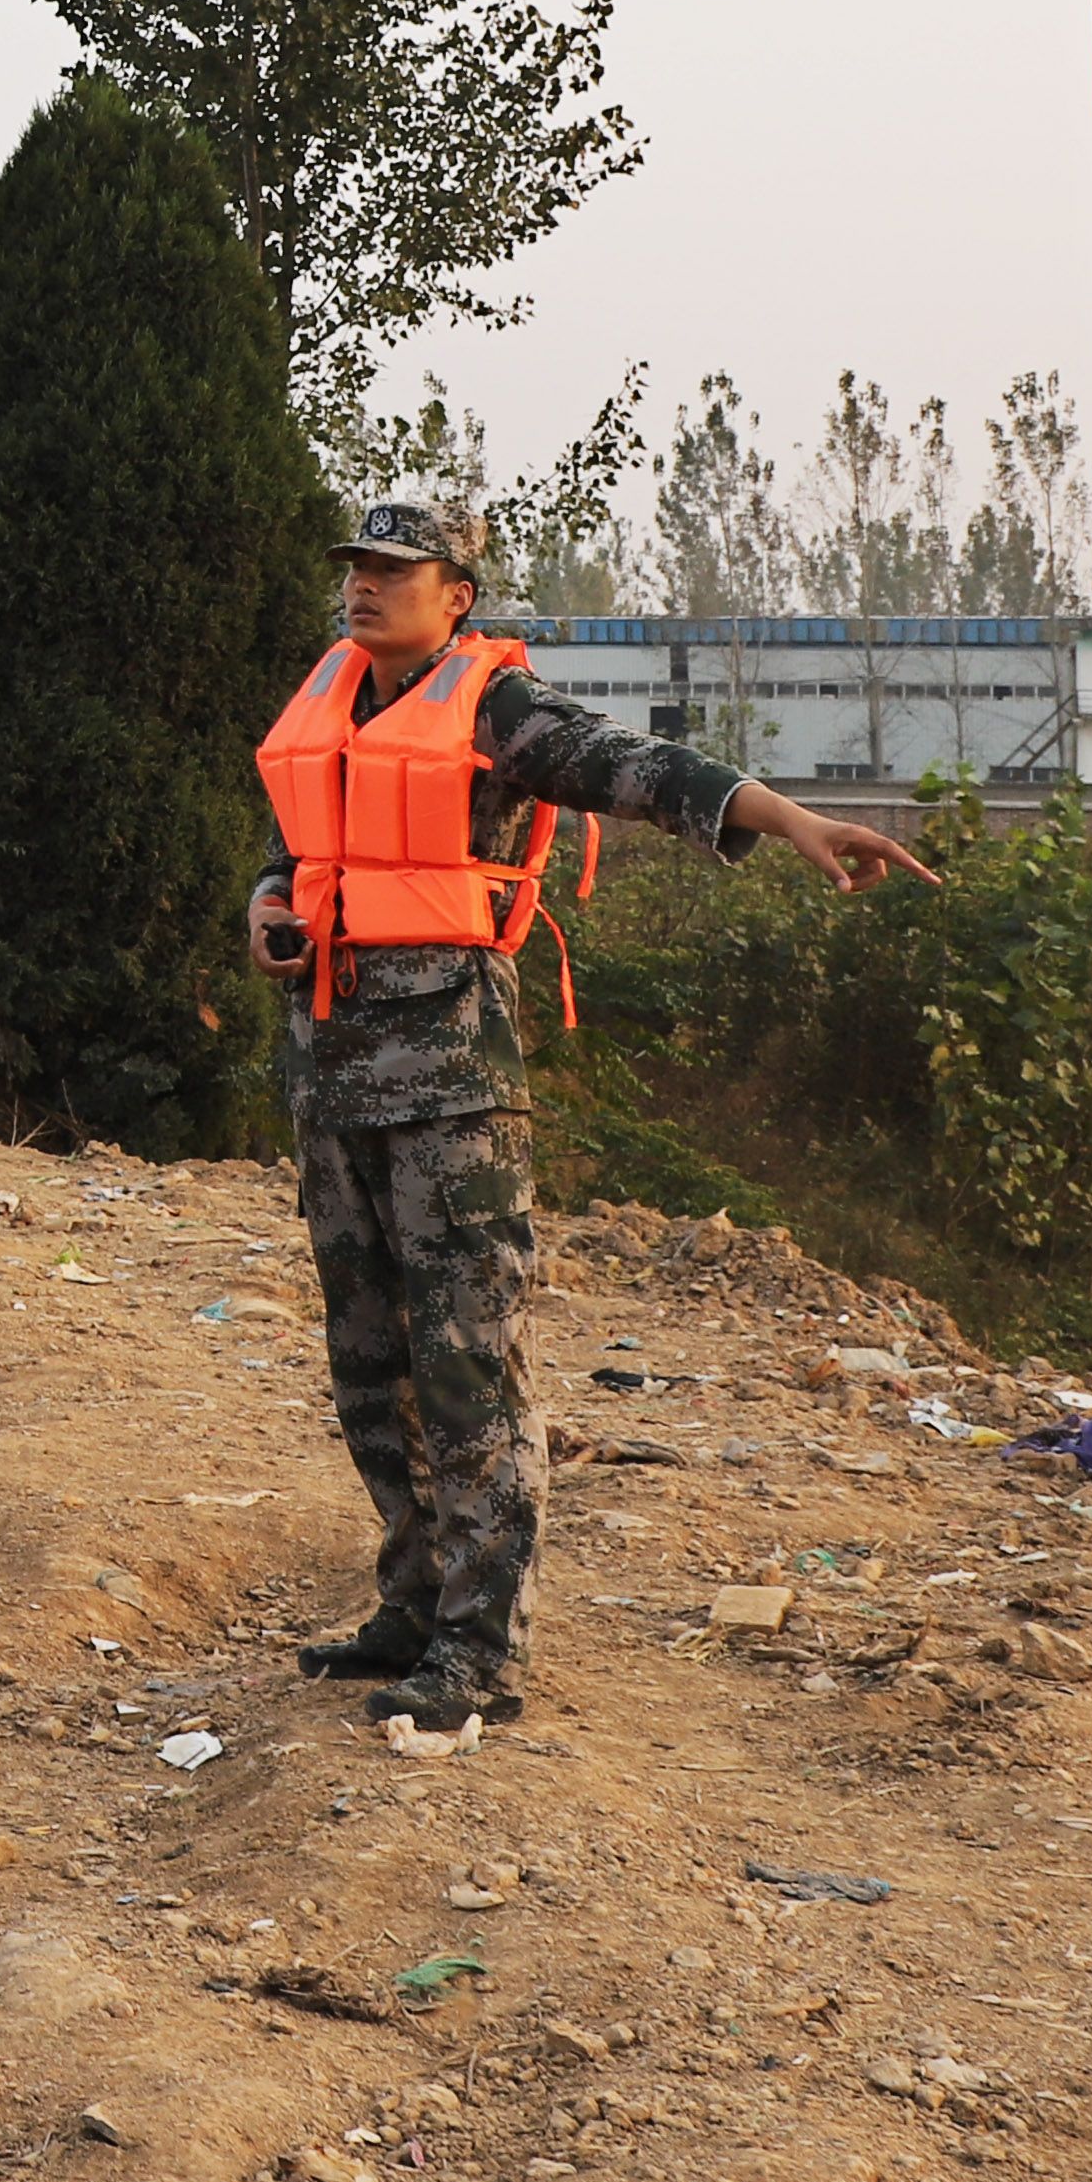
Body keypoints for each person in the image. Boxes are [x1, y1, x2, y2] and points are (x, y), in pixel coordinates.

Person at [248, 501, 928, 1733]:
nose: (364, 585)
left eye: (394, 569)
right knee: (370, 1371)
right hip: (330, 1082)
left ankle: (479, 1649)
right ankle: (412, 1603)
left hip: (451, 1096)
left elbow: (641, 769)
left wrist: (791, 819)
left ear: (456, 594)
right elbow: (294, 851)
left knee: (467, 1368)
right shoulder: (331, 697)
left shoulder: (497, 708)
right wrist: (266, 910)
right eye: (355, 566)